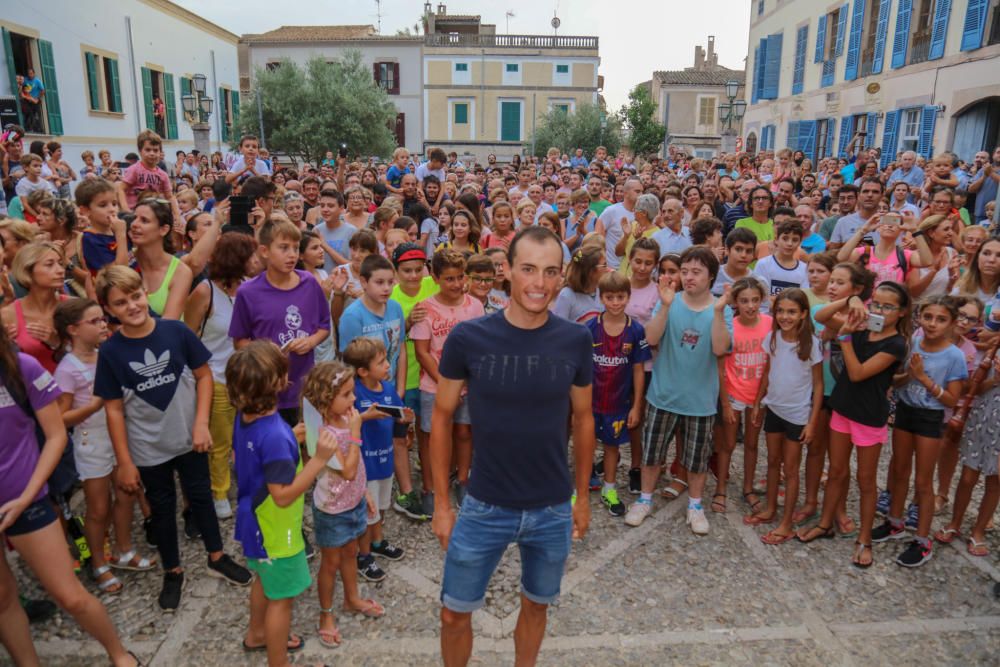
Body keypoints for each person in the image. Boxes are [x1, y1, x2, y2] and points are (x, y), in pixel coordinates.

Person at [430, 226, 594, 667]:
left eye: (550, 271)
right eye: (528, 270)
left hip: (552, 507)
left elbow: (583, 418)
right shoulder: (469, 338)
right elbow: (442, 416)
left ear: (561, 277)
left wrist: (581, 497)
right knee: (452, 613)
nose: (539, 283)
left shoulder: (576, 340)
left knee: (537, 605)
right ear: (507, 271)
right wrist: (442, 504)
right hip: (484, 504)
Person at [93, 266, 251, 611]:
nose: (132, 306)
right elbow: (114, 410)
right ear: (109, 309)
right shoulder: (111, 352)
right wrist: (124, 462)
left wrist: (201, 423)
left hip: (189, 438)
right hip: (148, 448)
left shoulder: (176, 332)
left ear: (144, 294)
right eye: (121, 302)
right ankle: (173, 569)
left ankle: (217, 554)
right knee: (161, 509)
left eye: (135, 296)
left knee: (201, 497)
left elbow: (204, 377)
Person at [0, 314, 140, 666]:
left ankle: (119, 654)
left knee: (70, 595)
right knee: (1, 598)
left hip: (24, 498)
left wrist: (29, 494)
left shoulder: (21, 367)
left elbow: (56, 434)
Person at [226, 341, 335, 664]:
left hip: (254, 521)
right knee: (283, 599)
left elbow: (259, 450)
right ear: (278, 382)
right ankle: (278, 661)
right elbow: (284, 494)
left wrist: (291, 436)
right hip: (275, 528)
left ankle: (256, 633)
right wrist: (318, 460)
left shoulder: (246, 416)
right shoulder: (274, 434)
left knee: (265, 579)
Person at [801, 281, 910, 568]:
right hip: (843, 408)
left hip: (869, 416)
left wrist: (846, 339)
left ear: (901, 312)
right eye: (877, 304)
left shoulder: (896, 344)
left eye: (888, 307)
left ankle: (864, 538)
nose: (880, 311)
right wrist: (850, 300)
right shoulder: (862, 325)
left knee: (865, 480)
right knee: (836, 471)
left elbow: (859, 372)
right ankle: (825, 523)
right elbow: (821, 317)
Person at [625, 247, 733, 534]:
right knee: (652, 453)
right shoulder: (670, 302)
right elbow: (651, 338)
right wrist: (667, 306)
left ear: (711, 276)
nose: (688, 277)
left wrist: (720, 313)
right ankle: (645, 499)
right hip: (663, 394)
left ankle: (695, 505)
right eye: (684, 271)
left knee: (697, 459)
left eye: (696, 272)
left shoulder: (721, 308)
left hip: (700, 400)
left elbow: (721, 348)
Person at [53, 298, 156, 595]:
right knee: (98, 508)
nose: (103, 325)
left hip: (118, 436)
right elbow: (61, 417)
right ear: (73, 330)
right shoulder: (68, 368)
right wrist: (97, 404)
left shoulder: (105, 355)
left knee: (126, 495)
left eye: (103, 319)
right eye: (95, 321)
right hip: (92, 442)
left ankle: (124, 550)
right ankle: (98, 562)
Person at [874, 296, 966, 567]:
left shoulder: (954, 356)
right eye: (928, 317)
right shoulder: (911, 343)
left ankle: (923, 540)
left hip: (930, 418)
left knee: (924, 482)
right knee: (899, 471)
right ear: (918, 318)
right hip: (905, 410)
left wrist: (924, 379)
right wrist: (910, 376)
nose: (932, 324)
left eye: (940, 319)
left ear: (951, 323)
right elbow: (896, 379)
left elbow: (952, 400)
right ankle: (894, 522)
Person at [302, 361, 384, 648]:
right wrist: (356, 432)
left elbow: (357, 471)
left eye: (352, 393)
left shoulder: (345, 418)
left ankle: (351, 599)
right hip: (332, 509)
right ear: (326, 399)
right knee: (331, 562)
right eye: (347, 394)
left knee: (350, 552)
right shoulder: (325, 433)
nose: (354, 400)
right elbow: (347, 470)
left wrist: (365, 493)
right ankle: (326, 614)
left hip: (353, 502)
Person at [184, 233, 261, 519]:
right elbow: (188, 336)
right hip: (214, 377)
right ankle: (219, 491)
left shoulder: (250, 288)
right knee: (219, 441)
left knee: (246, 434)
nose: (256, 261)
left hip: (246, 376)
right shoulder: (205, 292)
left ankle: (246, 484)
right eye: (250, 255)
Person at [230, 221, 331, 427]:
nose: (292, 254)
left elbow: (324, 327)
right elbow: (239, 341)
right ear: (265, 251)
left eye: (295, 247)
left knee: (308, 445)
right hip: (266, 389)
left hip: (304, 387)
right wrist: (266, 353)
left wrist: (311, 341)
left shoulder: (309, 283)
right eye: (284, 248)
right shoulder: (248, 292)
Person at [746, 289, 823, 544]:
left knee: (791, 470)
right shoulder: (772, 338)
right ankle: (770, 509)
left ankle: (787, 522)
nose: (785, 316)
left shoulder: (811, 343)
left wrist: (812, 423)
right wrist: (758, 402)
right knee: (772, 463)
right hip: (774, 409)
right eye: (780, 311)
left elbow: (818, 385)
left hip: (798, 415)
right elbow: (767, 372)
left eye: (791, 312)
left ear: (803, 314)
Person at [411, 250, 484, 505]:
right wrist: (445, 384)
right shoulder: (425, 309)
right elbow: (422, 352)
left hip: (468, 384)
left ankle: (463, 480)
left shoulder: (475, 306)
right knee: (434, 438)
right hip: (434, 385)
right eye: (449, 279)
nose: (457, 284)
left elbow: (479, 346)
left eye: (460, 277)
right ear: (435, 277)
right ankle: (431, 487)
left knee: (464, 432)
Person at [344, 337, 413, 583]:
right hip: (365, 467)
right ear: (363, 371)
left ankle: (377, 541)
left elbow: (397, 415)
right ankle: (363, 556)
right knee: (367, 514)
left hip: (385, 463)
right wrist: (365, 416)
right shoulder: (353, 392)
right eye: (381, 362)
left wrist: (404, 418)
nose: (388, 366)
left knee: (381, 507)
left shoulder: (389, 389)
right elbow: (343, 424)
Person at [587, 272, 651, 516]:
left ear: (628, 297)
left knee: (612, 447)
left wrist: (636, 406)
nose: (615, 302)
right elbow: (581, 368)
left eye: (620, 297)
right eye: (610, 297)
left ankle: (609, 489)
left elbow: (638, 370)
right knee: (586, 445)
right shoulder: (590, 328)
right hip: (591, 403)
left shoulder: (635, 330)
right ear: (601, 298)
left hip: (618, 403)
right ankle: (580, 487)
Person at [389, 243, 439, 518]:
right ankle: (406, 489)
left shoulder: (434, 285)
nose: (413, 276)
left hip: (432, 373)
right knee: (401, 433)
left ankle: (431, 484)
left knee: (428, 433)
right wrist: (407, 323)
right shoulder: (391, 296)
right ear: (396, 272)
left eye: (418, 269)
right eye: (406, 271)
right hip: (405, 376)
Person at [715, 277, 770, 516]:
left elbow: (770, 363)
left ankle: (748, 487)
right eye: (745, 300)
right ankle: (720, 488)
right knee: (727, 444)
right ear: (735, 302)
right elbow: (720, 366)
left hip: (758, 394)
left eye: (755, 300)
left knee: (751, 443)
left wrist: (759, 401)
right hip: (733, 393)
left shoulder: (769, 323)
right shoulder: (731, 326)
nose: (750, 306)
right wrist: (725, 402)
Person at [117, 130, 174, 212]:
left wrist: (176, 215)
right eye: (148, 150)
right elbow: (121, 189)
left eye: (155, 150)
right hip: (134, 212)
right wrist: (126, 209)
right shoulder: (134, 169)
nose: (152, 153)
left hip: (153, 213)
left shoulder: (163, 175)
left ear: (160, 152)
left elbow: (170, 197)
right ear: (140, 151)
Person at [552, 245, 605, 323]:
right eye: (604, 265)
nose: (607, 268)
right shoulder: (567, 295)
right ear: (590, 271)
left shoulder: (602, 291)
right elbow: (558, 328)